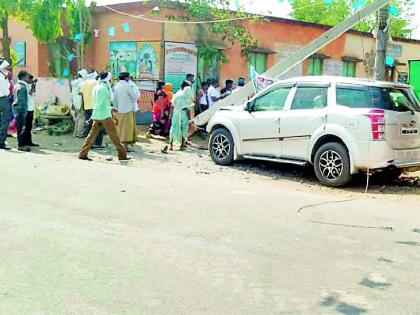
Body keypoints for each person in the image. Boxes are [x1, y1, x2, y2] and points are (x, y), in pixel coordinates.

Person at [79, 71, 129, 161]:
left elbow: (98, 103)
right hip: (105, 116)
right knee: (115, 137)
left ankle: (83, 153)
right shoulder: (104, 89)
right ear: (107, 78)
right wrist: (92, 117)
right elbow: (99, 103)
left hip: (98, 115)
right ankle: (122, 155)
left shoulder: (97, 87)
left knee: (91, 136)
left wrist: (110, 108)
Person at [113, 72, 140, 151]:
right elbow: (135, 96)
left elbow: (115, 99)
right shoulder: (127, 86)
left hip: (119, 110)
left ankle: (120, 145)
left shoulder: (117, 86)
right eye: (128, 77)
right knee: (127, 129)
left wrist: (115, 108)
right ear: (126, 78)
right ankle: (125, 147)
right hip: (127, 110)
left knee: (120, 128)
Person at [80, 70, 104, 147]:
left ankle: (89, 143)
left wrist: (83, 107)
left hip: (87, 107)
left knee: (89, 126)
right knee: (98, 126)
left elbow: (82, 96)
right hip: (95, 107)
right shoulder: (96, 83)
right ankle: (97, 143)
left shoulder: (83, 83)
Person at [167, 80, 193, 151]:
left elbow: (172, 105)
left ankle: (171, 145)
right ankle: (182, 145)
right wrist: (189, 117)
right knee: (184, 128)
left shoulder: (176, 93)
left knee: (174, 127)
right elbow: (188, 106)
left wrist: (171, 114)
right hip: (183, 112)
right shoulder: (186, 94)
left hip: (176, 112)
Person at [12, 70, 31, 152]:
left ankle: (22, 144)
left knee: (20, 128)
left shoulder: (17, 85)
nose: (28, 78)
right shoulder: (23, 88)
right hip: (20, 110)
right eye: (27, 76)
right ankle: (21, 145)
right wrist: (24, 111)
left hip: (17, 109)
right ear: (23, 77)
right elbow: (22, 101)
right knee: (21, 128)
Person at [20, 74, 39, 147]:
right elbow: (30, 94)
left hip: (31, 109)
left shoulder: (30, 86)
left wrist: (34, 85)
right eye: (30, 80)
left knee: (29, 127)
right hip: (27, 109)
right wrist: (33, 85)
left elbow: (33, 93)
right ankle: (24, 142)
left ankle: (29, 141)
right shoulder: (25, 87)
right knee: (26, 127)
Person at [72, 69, 88, 138]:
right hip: (80, 101)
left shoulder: (75, 82)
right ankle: (80, 133)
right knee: (82, 117)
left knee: (78, 117)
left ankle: (75, 132)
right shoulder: (82, 83)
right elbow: (82, 94)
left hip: (75, 101)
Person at [0, 59, 11, 150]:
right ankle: (1, 142)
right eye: (6, 67)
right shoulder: (2, 77)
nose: (8, 69)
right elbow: (6, 91)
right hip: (3, 99)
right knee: (4, 122)